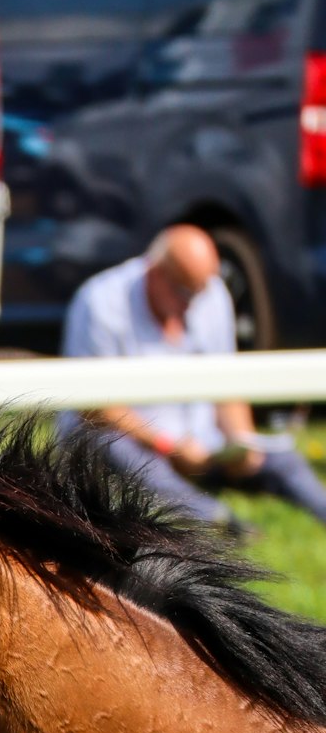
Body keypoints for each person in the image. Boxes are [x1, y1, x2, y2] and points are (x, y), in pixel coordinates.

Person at [59, 225, 326, 531]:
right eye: (185, 292)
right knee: (115, 448)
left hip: (201, 445)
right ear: (156, 272)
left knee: (285, 460)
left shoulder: (210, 294)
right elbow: (94, 406)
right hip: (134, 441)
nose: (193, 303)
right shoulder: (101, 301)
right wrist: (166, 445)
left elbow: (224, 382)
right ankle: (218, 521)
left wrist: (240, 442)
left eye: (200, 292)